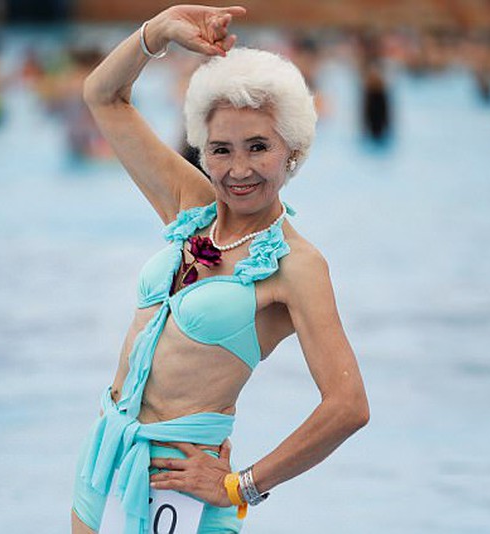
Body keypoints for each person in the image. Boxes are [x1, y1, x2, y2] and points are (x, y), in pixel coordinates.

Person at [74, 5, 369, 534]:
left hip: (183, 492)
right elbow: (103, 95)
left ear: (291, 151)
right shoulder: (190, 206)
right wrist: (161, 29)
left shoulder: (296, 265)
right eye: (221, 150)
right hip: (107, 462)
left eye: (258, 147)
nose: (238, 169)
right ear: (203, 152)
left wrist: (242, 486)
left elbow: (348, 405)